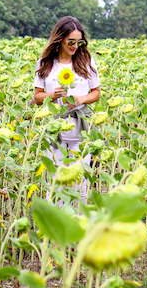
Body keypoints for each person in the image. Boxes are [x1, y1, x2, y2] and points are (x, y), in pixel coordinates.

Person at [33, 16, 100, 203]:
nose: (75, 46)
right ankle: (54, 229)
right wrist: (52, 95)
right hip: (55, 133)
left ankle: (79, 228)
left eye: (79, 42)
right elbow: (37, 97)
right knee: (55, 184)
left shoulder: (86, 61)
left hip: (80, 132)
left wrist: (81, 99)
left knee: (81, 185)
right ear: (60, 38)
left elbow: (96, 93)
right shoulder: (46, 63)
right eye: (71, 41)